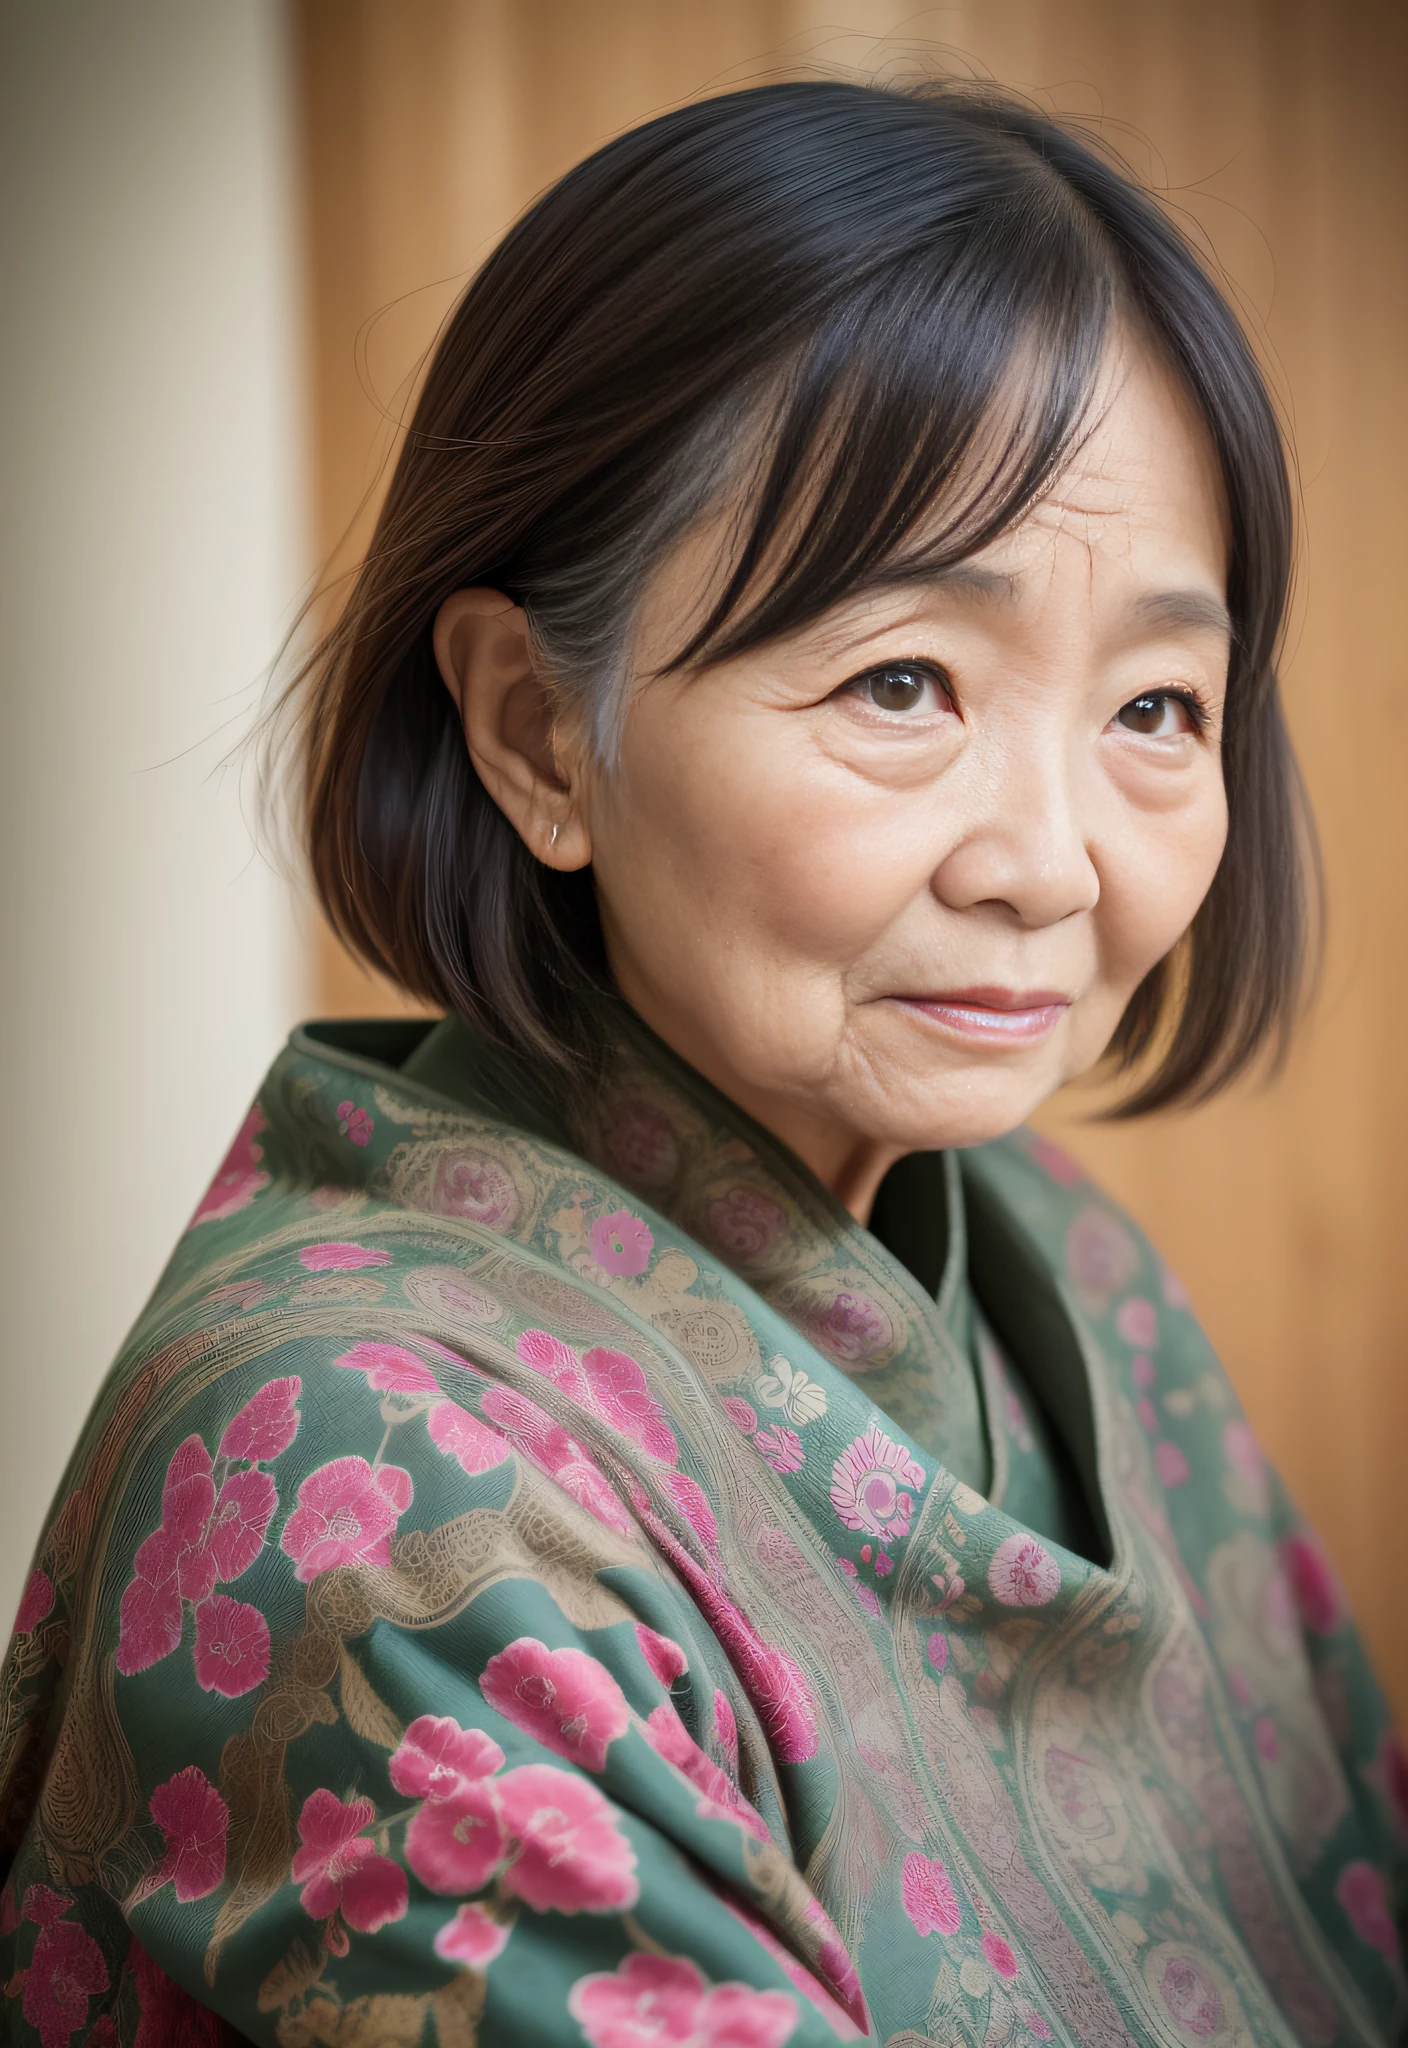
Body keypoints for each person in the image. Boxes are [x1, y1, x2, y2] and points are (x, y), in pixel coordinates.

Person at [0, 76, 1403, 2048]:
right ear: (534, 732)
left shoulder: (1060, 1270)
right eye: (901, 682)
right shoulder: (369, 1483)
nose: (1053, 858)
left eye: (1155, 706)